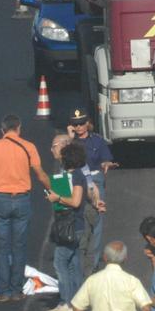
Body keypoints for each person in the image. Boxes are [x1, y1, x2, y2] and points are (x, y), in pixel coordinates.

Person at [0, 114, 52, 302]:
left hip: (0, 199)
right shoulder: (29, 147)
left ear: (2, 130)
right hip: (22, 199)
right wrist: (56, 192)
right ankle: (17, 290)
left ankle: (3, 292)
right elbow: (40, 175)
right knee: (19, 246)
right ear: (19, 128)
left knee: (1, 247)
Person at [68, 108, 116, 271]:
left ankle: (92, 264)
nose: (79, 127)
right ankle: (79, 259)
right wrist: (70, 139)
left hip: (94, 179)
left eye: (81, 123)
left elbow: (106, 159)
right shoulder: (70, 142)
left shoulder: (97, 140)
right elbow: (63, 159)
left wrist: (107, 163)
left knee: (96, 221)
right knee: (78, 218)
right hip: (76, 180)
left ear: (88, 123)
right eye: (75, 124)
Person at [46, 143, 89, 311]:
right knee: (73, 263)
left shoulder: (76, 176)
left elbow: (76, 202)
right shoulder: (76, 175)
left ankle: (66, 302)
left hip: (72, 225)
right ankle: (77, 301)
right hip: (76, 225)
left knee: (60, 262)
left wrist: (58, 198)